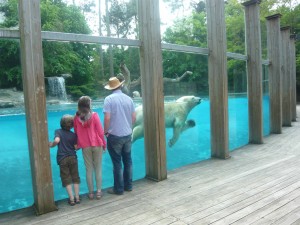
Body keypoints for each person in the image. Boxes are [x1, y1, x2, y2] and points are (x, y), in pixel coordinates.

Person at [103, 77, 136, 195]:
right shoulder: (129, 99)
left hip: (114, 136)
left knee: (117, 163)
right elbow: (134, 118)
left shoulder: (109, 99)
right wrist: (129, 128)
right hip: (127, 134)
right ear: (121, 86)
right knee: (128, 161)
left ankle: (119, 189)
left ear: (111, 88)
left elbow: (107, 118)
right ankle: (129, 186)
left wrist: (105, 132)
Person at [74, 96, 106, 200]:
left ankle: (91, 193)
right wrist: (104, 144)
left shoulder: (76, 118)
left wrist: (78, 144)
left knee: (89, 170)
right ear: (89, 105)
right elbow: (101, 132)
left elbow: (76, 132)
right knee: (98, 169)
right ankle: (99, 192)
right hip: (97, 144)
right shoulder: (95, 115)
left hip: (85, 146)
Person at [49, 114, 80, 206]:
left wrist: (52, 145)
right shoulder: (74, 135)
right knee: (75, 177)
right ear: (72, 125)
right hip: (73, 157)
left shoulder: (58, 131)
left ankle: (71, 199)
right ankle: (77, 197)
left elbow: (57, 141)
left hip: (62, 159)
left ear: (61, 123)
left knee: (66, 178)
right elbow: (76, 147)